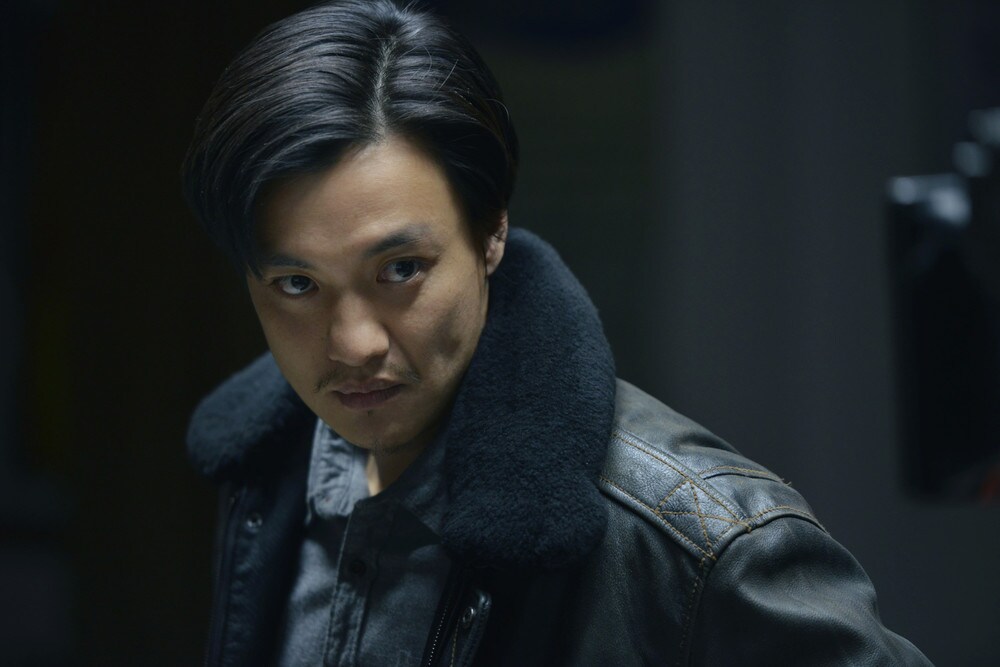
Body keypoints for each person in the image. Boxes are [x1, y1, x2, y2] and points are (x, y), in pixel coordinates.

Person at [182, 1, 931, 664]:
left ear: (492, 233)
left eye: (401, 269)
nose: (354, 344)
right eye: (297, 284)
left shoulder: (697, 541)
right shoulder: (269, 472)